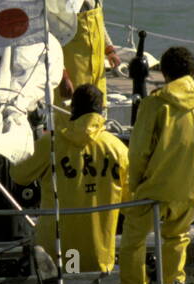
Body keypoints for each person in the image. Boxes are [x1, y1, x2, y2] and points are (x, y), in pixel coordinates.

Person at [118, 47, 194, 284]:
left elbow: (138, 151)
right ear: (193, 72)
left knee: (133, 240)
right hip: (190, 187)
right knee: (177, 237)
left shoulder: (155, 104)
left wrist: (136, 184)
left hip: (155, 189)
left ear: (164, 73)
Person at [10, 84, 129, 274]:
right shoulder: (118, 149)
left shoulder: (50, 144)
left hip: (55, 251)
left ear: (72, 109)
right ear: (102, 111)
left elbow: (18, 175)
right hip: (97, 252)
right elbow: (129, 200)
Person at [59, 0, 121, 102]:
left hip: (96, 69)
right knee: (71, 117)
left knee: (96, 112)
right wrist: (62, 75)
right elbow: (54, 40)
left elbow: (100, 25)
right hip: (74, 72)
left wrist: (110, 50)